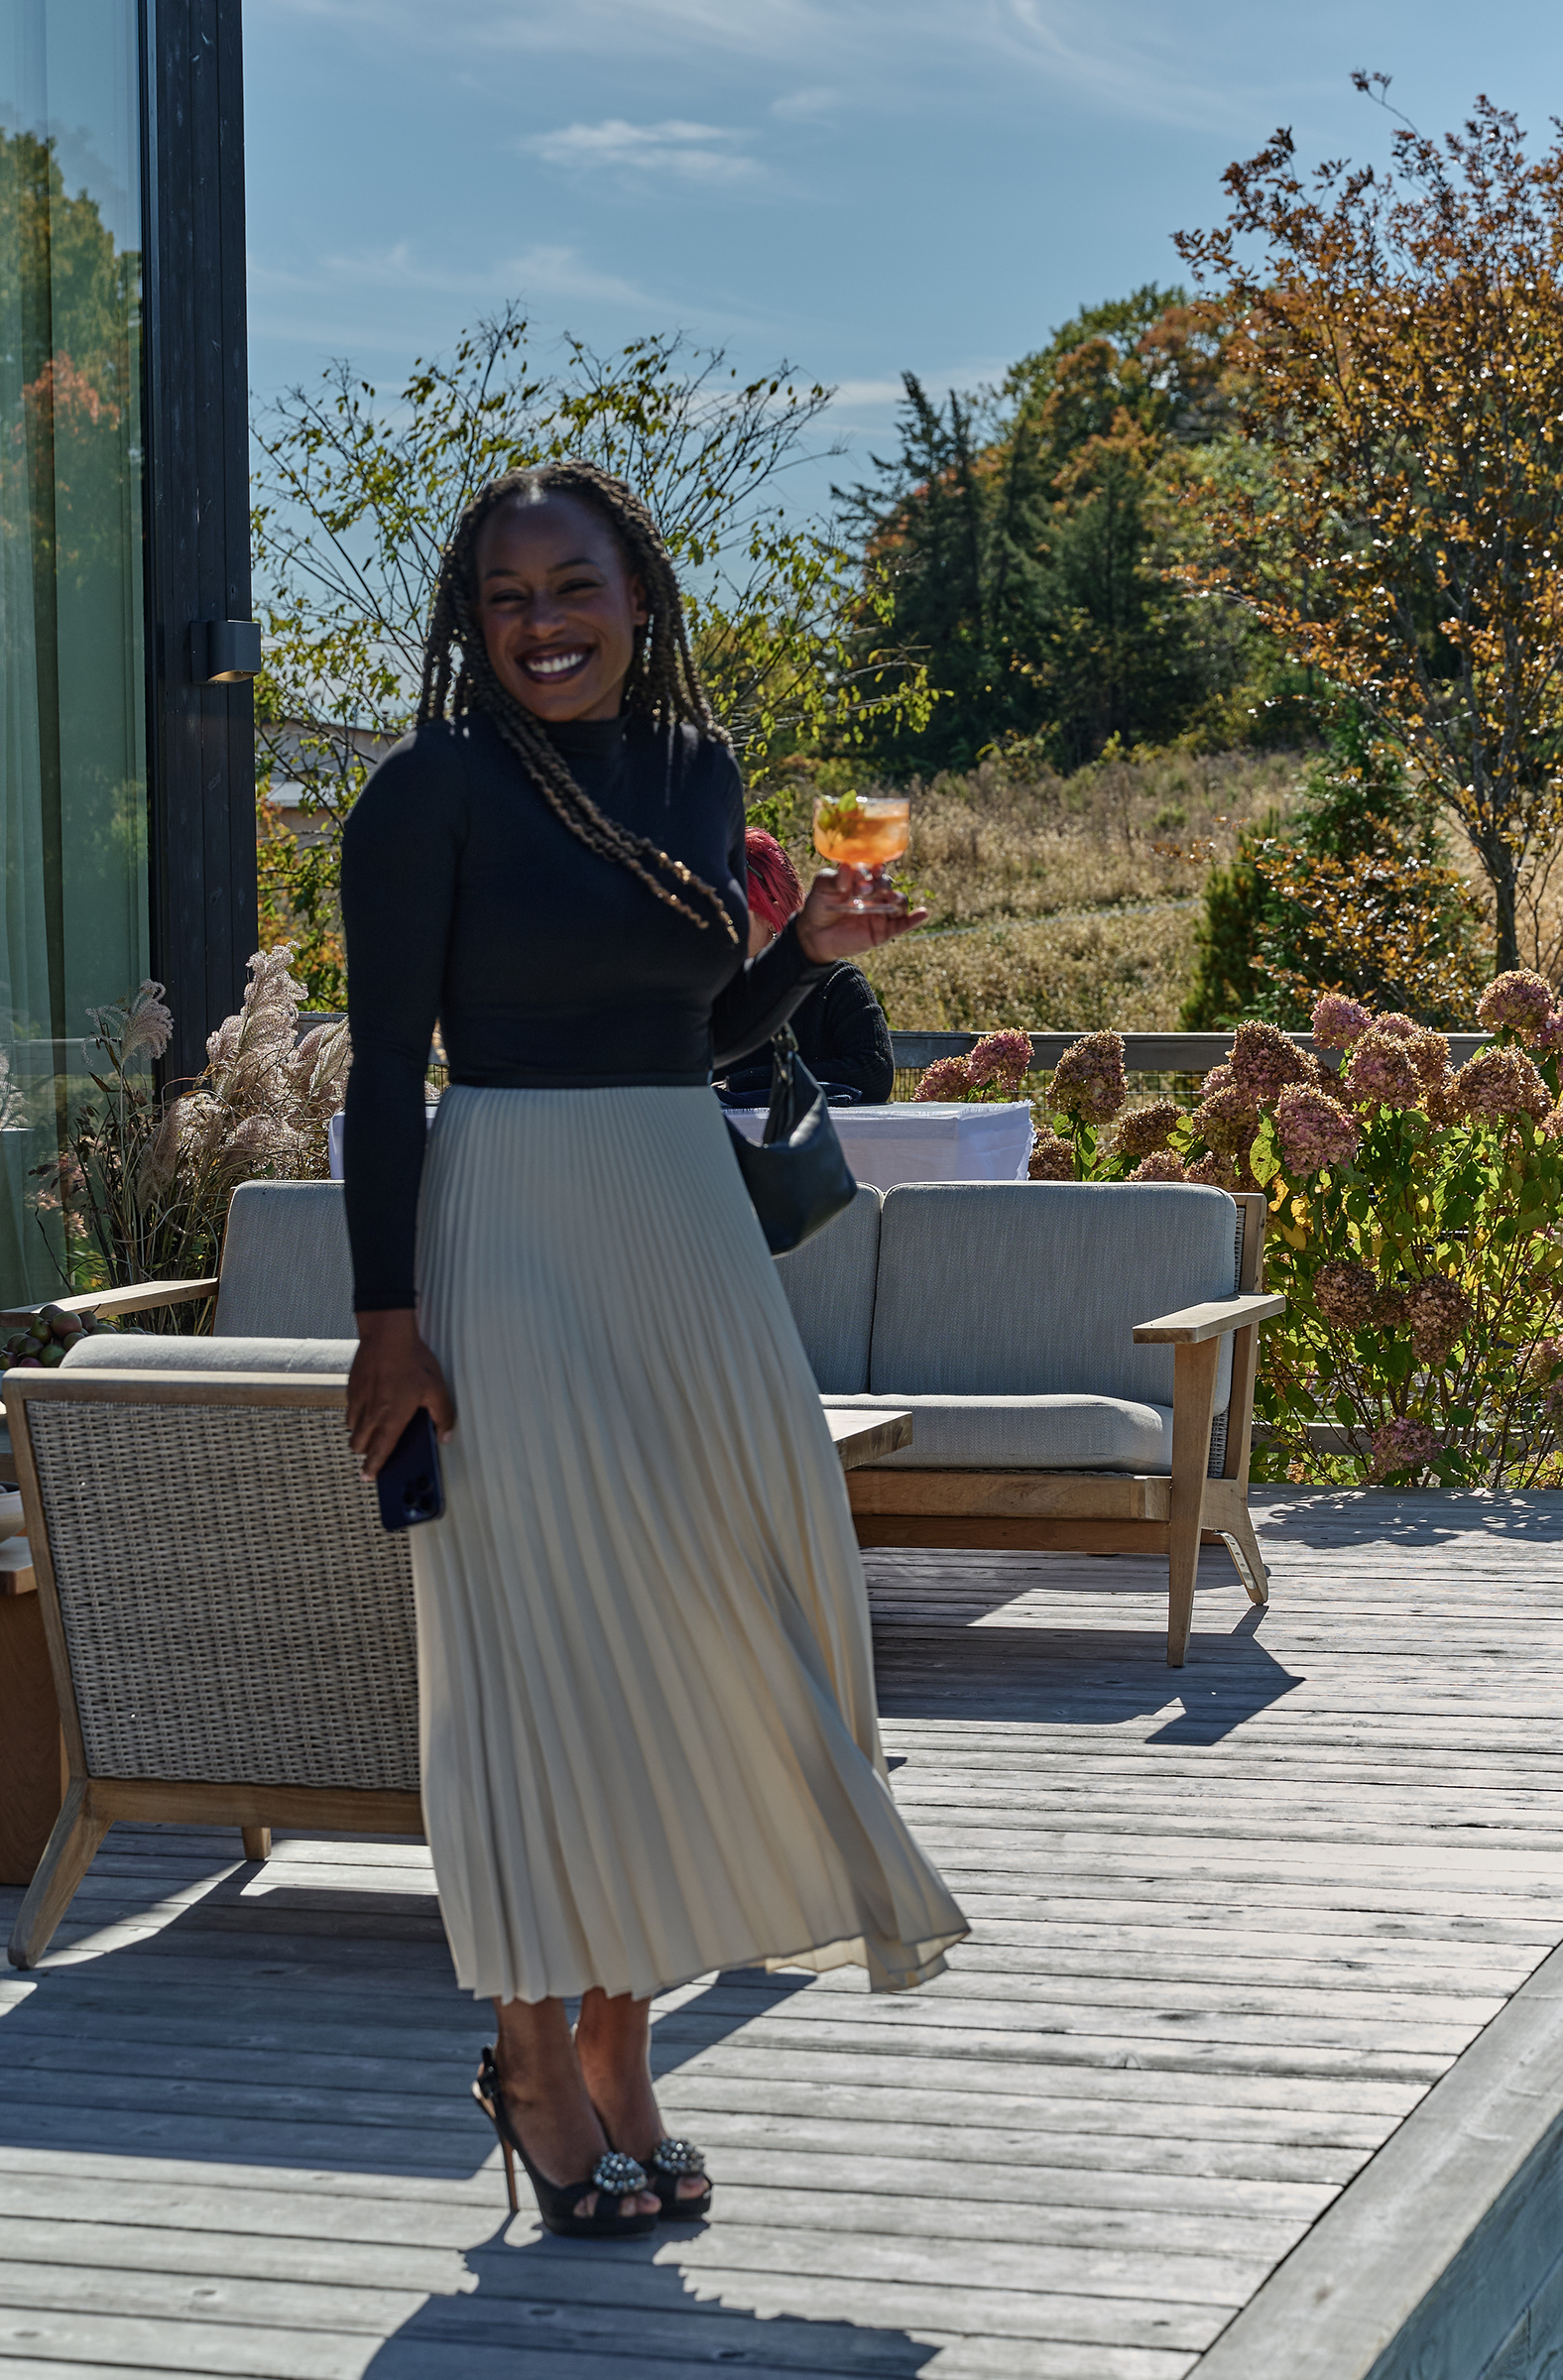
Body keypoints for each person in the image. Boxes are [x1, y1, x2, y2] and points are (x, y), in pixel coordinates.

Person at [339, 459, 966, 2243]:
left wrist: (810, 955)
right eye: (509, 594)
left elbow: (687, 1030)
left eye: (575, 586)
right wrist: (388, 1321)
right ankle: (529, 2045)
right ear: (475, 620)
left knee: (740, 1609)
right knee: (542, 1645)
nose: (544, 622)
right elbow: (391, 1070)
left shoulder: (697, 773)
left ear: (639, 599)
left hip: (682, 1223)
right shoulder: (427, 790)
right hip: (509, 1228)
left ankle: (624, 2041)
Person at [716, 827, 896, 1106]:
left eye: (729, 919)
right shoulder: (707, 990)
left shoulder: (837, 983)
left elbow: (873, 1073)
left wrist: (743, 1083)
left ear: (770, 908)